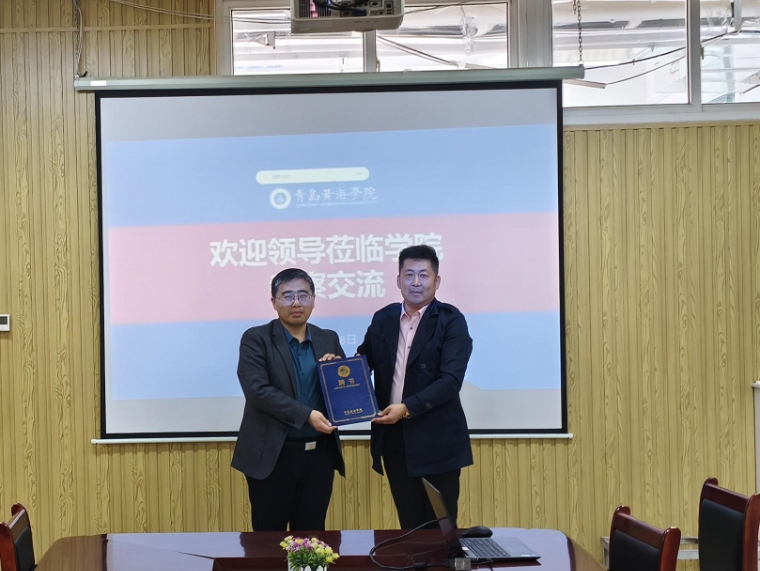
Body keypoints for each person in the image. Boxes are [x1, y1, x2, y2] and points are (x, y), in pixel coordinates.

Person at [357, 245, 473, 529]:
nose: (416, 282)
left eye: (424, 275)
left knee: (439, 530)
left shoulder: (450, 320)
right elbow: (363, 361)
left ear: (437, 281)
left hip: (437, 440)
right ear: (398, 280)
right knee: (409, 526)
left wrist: (407, 408)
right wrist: (336, 368)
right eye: (409, 275)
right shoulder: (383, 319)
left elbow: (450, 381)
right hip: (395, 440)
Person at [231, 268, 345, 531]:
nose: (296, 303)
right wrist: (307, 415)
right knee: (268, 537)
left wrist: (339, 373)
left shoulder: (328, 338)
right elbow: (257, 391)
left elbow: (341, 393)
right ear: (274, 302)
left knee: (312, 536)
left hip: (319, 456)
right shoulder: (256, 338)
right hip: (272, 456)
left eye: (303, 295)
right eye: (288, 296)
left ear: (313, 300)